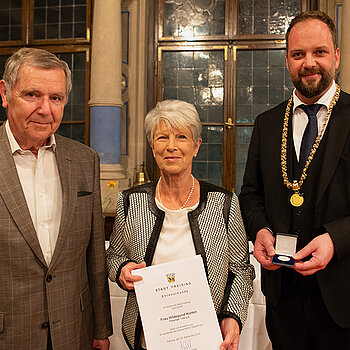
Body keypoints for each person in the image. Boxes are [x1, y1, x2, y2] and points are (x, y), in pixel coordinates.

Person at [239, 10, 350, 350]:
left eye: (319, 52)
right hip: (282, 300)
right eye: (298, 54)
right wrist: (259, 229)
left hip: (343, 298)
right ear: (287, 60)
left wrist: (334, 240)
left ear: (336, 56)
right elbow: (250, 194)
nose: (309, 63)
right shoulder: (267, 123)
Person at [106, 99, 254, 350]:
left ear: (196, 146)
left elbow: (241, 271)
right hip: (146, 340)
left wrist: (233, 317)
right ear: (152, 146)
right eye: (162, 137)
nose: (171, 147)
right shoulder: (131, 201)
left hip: (207, 340)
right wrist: (121, 269)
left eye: (181, 137)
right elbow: (114, 256)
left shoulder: (223, 203)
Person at [0, 48, 113, 349]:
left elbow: (94, 257)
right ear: (5, 93)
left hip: (72, 331)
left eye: (56, 98)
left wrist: (101, 329)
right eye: (32, 94)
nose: (45, 109)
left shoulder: (84, 160)